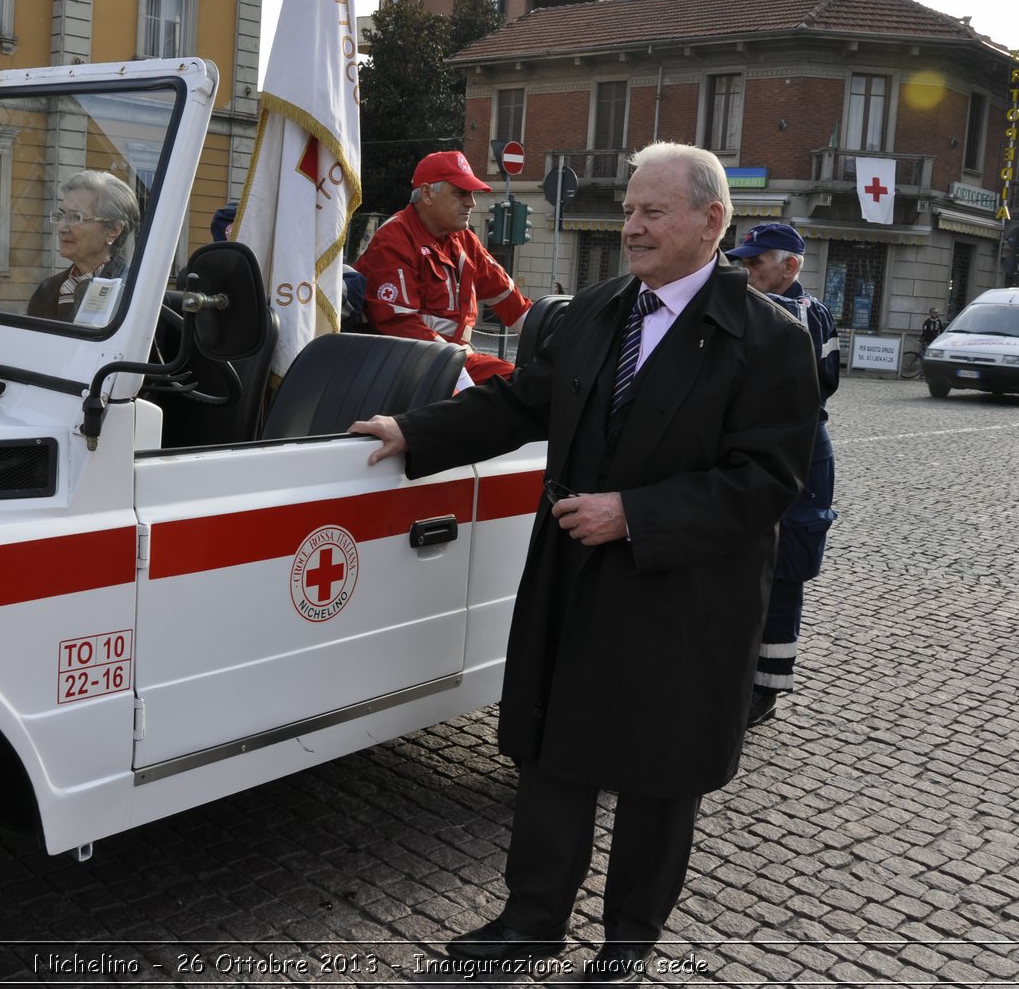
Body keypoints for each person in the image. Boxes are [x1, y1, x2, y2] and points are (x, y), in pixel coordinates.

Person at [351, 143, 820, 982]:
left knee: (658, 776)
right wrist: (414, 431)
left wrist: (635, 515)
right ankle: (530, 922)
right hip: (575, 576)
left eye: (651, 212)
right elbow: (522, 399)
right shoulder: (601, 309)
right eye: (629, 210)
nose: (630, 227)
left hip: (684, 594)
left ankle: (627, 942)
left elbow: (766, 481)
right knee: (553, 754)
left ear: (712, 222)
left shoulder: (768, 338)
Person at [725, 223, 838, 727]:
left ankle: (765, 688)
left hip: (802, 450)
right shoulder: (743, 302)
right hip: (756, 447)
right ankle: (734, 673)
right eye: (743, 262)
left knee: (787, 568)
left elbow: (819, 387)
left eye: (755, 263)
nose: (745, 270)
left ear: (790, 266)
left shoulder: (807, 314)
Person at [354, 150, 531, 383]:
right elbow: (400, 325)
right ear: (427, 194)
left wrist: (555, 338)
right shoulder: (394, 239)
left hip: (455, 360)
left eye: (471, 193)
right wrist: (456, 374)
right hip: (406, 367)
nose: (472, 202)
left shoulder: (464, 239)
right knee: (488, 406)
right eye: (461, 193)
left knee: (526, 387)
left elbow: (510, 300)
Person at [29, 170, 140, 321]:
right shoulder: (48, 290)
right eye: (61, 216)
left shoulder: (133, 292)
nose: (61, 227)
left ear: (113, 230)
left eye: (76, 217)